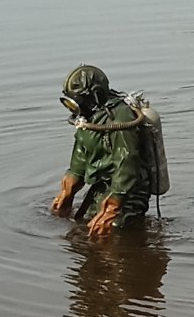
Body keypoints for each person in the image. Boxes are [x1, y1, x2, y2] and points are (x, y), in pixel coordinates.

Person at [49, 65, 154, 239]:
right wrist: (67, 190)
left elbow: (127, 165)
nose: (74, 107)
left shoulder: (121, 119)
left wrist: (112, 208)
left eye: (76, 101)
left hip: (130, 193)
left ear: (94, 95)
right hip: (103, 186)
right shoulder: (89, 117)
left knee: (112, 235)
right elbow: (81, 154)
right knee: (86, 222)